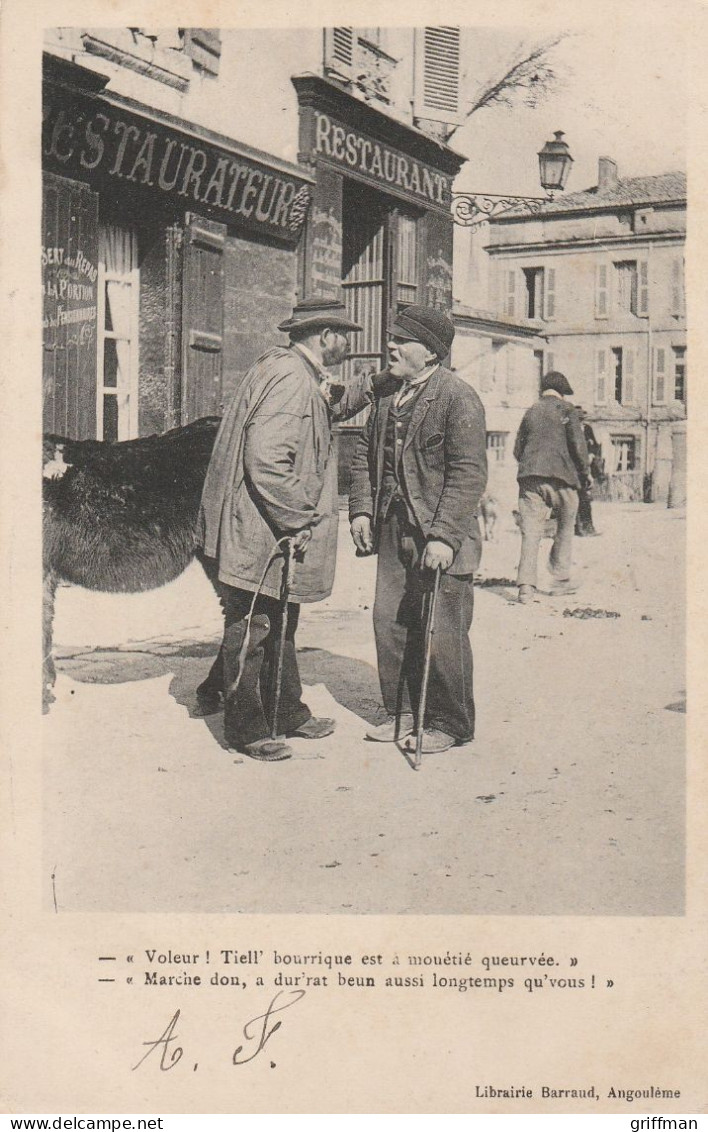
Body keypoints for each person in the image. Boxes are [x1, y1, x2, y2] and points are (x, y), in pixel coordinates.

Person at [195, 298, 395, 762]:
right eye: (344, 334)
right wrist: (297, 517)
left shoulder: (294, 372)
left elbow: (329, 413)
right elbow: (266, 460)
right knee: (254, 624)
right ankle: (245, 729)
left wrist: (376, 385)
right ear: (325, 337)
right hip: (263, 527)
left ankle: (286, 711)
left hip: (268, 526)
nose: (348, 342)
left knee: (282, 618)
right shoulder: (290, 378)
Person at [349, 305, 488, 755]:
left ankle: (449, 721)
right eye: (392, 337)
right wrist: (361, 512)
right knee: (388, 620)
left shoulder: (458, 398)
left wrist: (444, 536)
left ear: (430, 353)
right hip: (392, 526)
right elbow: (363, 454)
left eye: (401, 340)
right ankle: (403, 710)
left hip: (441, 534)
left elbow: (468, 474)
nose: (390, 345)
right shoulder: (389, 394)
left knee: (442, 628)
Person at [514, 371, 591, 605]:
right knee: (566, 526)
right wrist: (585, 474)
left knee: (531, 533)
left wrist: (533, 465)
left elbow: (517, 450)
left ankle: (526, 588)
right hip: (562, 478)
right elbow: (578, 447)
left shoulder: (531, 411)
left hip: (530, 478)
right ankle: (560, 578)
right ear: (561, 392)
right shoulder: (567, 411)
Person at [574, 407, 602, 536]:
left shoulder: (588, 429)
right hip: (575, 470)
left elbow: (595, 446)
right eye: (578, 420)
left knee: (585, 498)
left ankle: (587, 526)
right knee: (577, 499)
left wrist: (591, 454)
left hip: (586, 469)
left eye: (582, 420)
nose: (581, 422)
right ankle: (579, 527)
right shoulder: (571, 431)